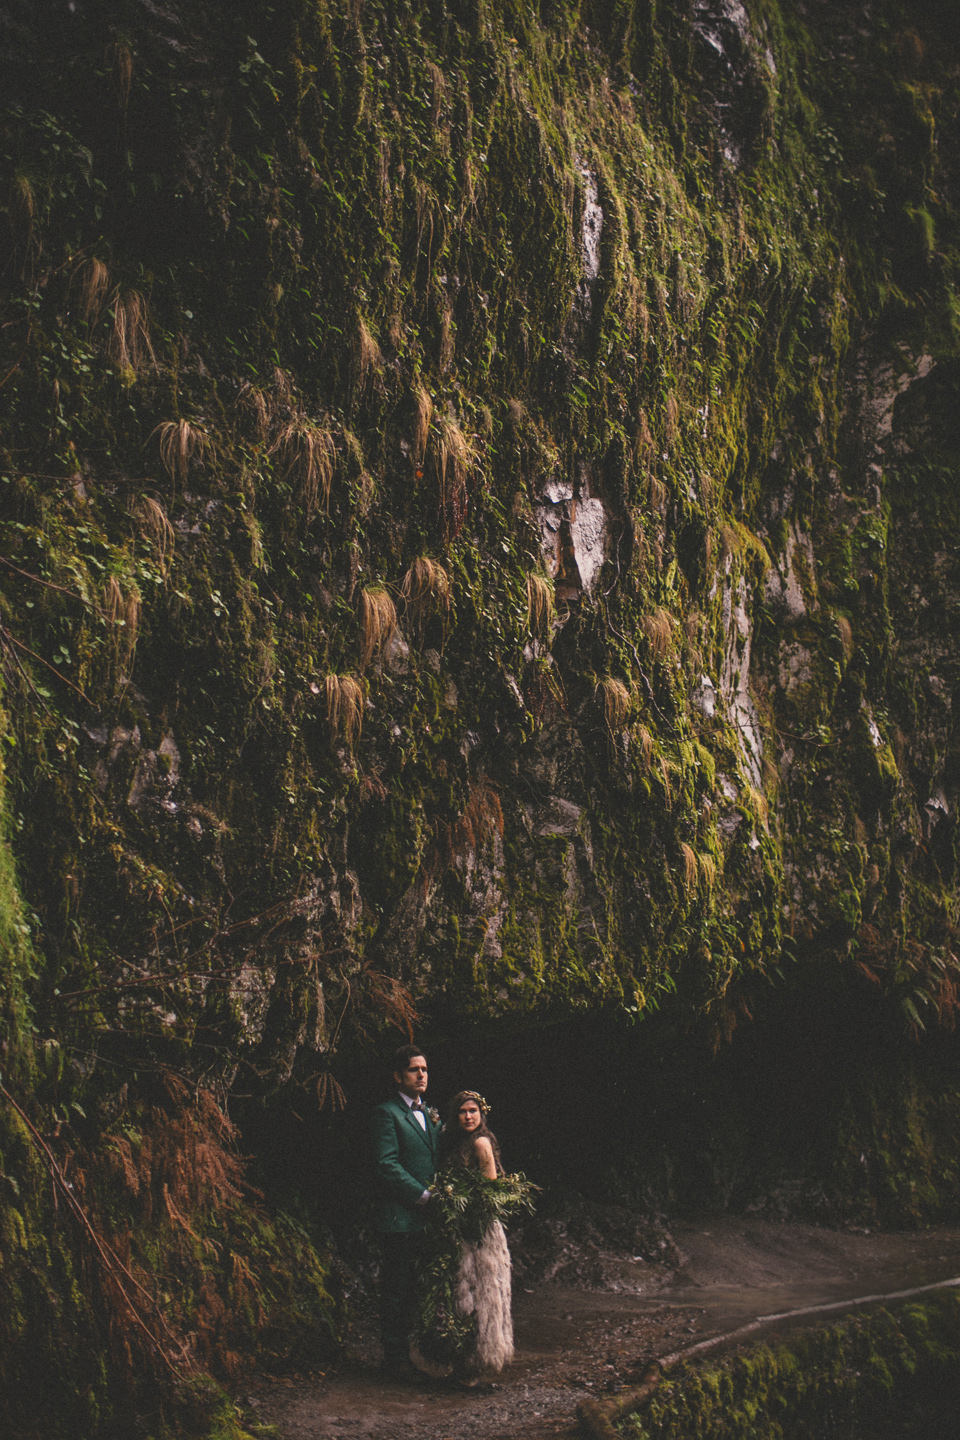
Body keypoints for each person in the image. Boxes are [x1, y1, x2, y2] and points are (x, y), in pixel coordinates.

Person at [370, 1045, 441, 1381]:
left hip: (425, 1220)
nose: (422, 1075)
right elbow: (386, 1164)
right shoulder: (386, 1113)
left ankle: (411, 1356)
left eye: (425, 1069)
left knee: (418, 1288)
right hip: (399, 1218)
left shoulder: (429, 1114)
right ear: (398, 1076)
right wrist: (423, 1195)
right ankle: (395, 1360)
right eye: (414, 1070)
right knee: (397, 1288)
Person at [442, 1090, 514, 1384]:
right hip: (458, 1225)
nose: (468, 1116)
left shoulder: (482, 1143)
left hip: (478, 1229)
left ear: (481, 1114)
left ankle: (475, 1363)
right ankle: (460, 1361)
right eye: (462, 1111)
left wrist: (468, 1217)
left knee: (479, 1292)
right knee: (460, 1292)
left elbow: (489, 1191)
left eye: (473, 1111)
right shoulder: (456, 1142)